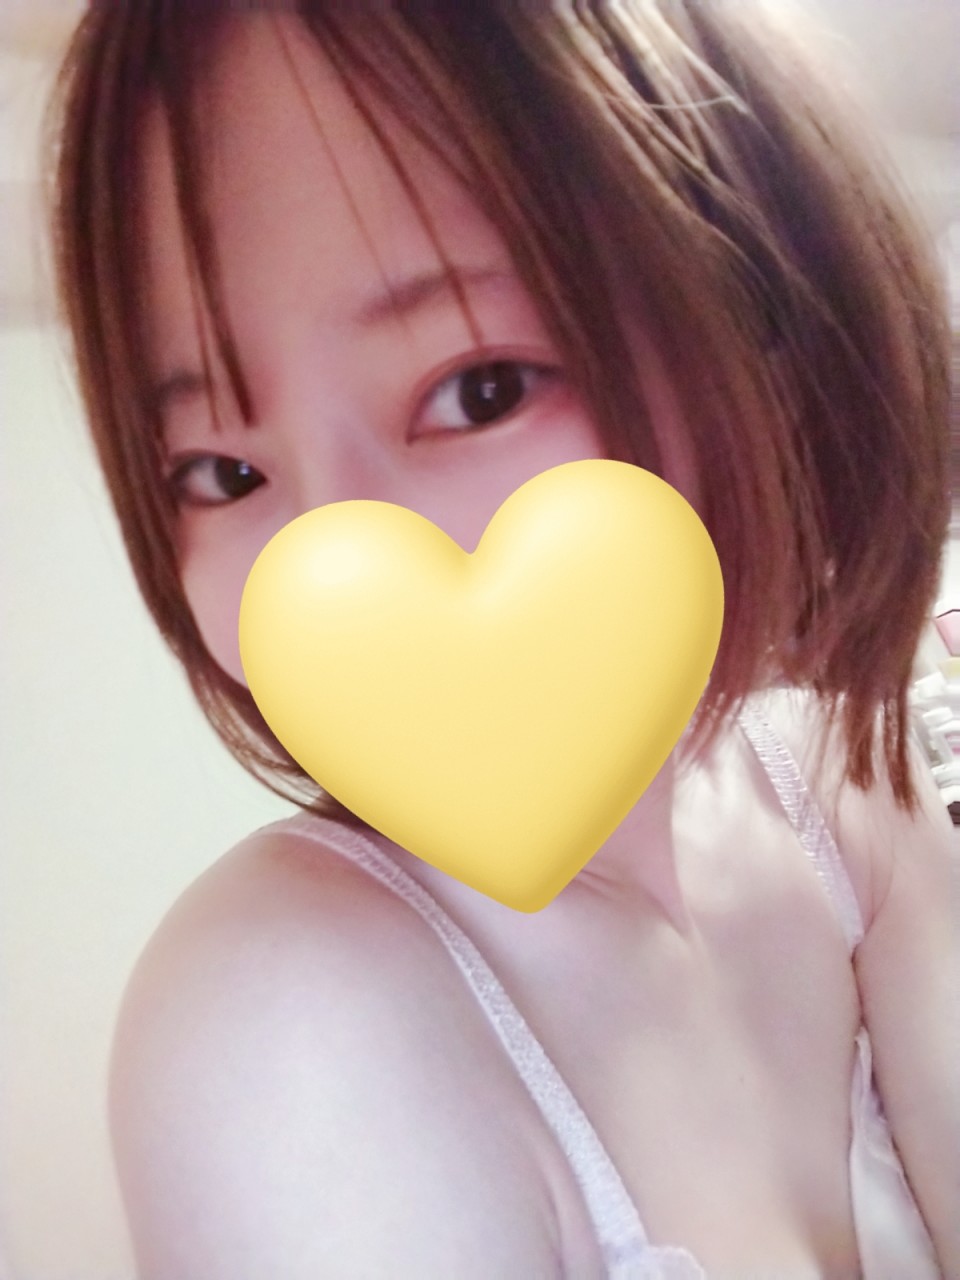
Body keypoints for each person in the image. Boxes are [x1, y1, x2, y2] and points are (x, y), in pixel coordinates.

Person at [46, 3, 957, 1276]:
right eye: (221, 471)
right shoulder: (282, 1017)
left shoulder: (848, 789)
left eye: (480, 388)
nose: (330, 574)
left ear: (766, 329)